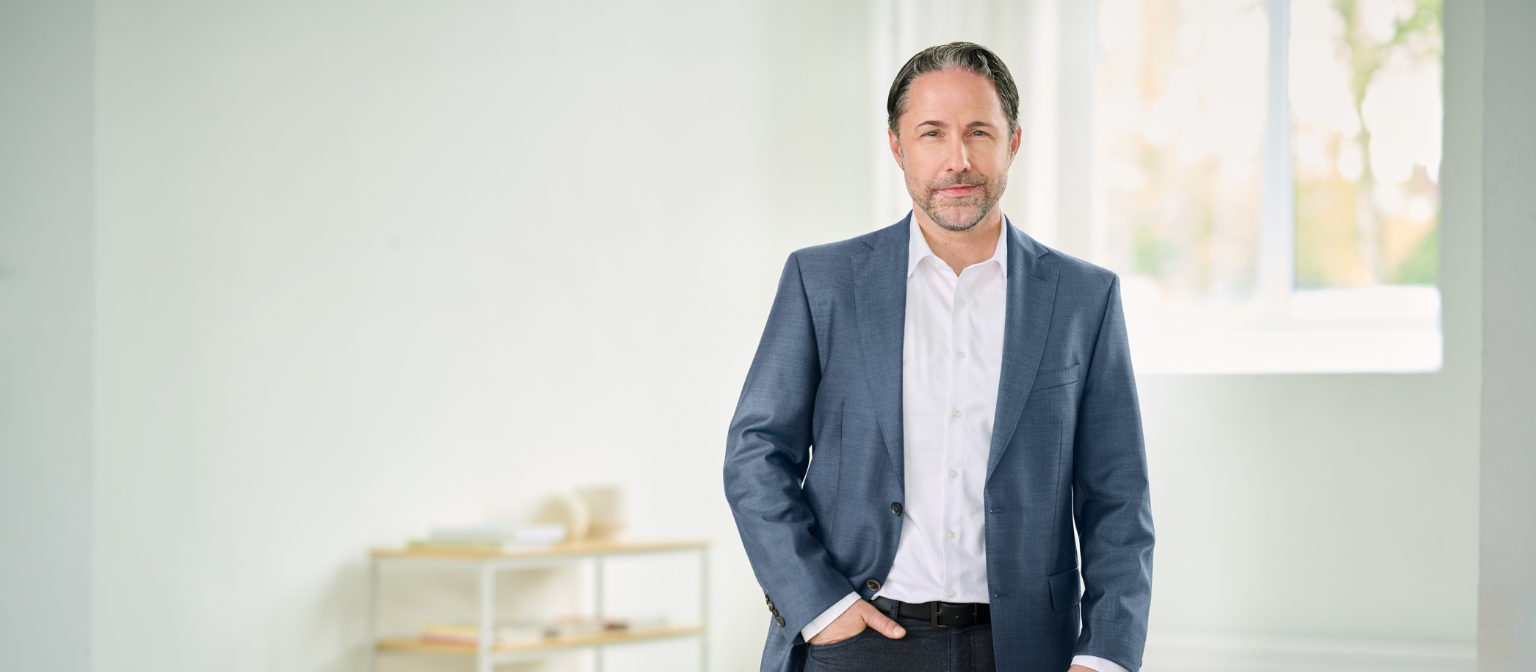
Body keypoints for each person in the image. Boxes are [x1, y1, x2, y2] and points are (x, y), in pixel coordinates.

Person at [723, 42, 1153, 672]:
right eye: (932, 134)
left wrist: (1106, 655)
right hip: (858, 641)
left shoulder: (1084, 299)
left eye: (980, 132)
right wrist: (819, 605)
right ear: (898, 146)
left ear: (1014, 142)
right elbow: (756, 454)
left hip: (1025, 650)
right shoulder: (824, 282)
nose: (959, 160)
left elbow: (1118, 495)